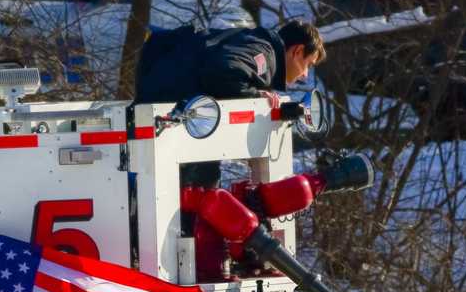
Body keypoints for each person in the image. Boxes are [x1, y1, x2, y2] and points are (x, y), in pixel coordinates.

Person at [135, 19, 327, 188]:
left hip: (170, 110)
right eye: (308, 65)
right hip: (175, 116)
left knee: (206, 179)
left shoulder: (253, 43)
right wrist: (255, 96)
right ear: (297, 51)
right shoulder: (264, 54)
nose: (305, 75)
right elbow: (223, 72)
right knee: (201, 192)